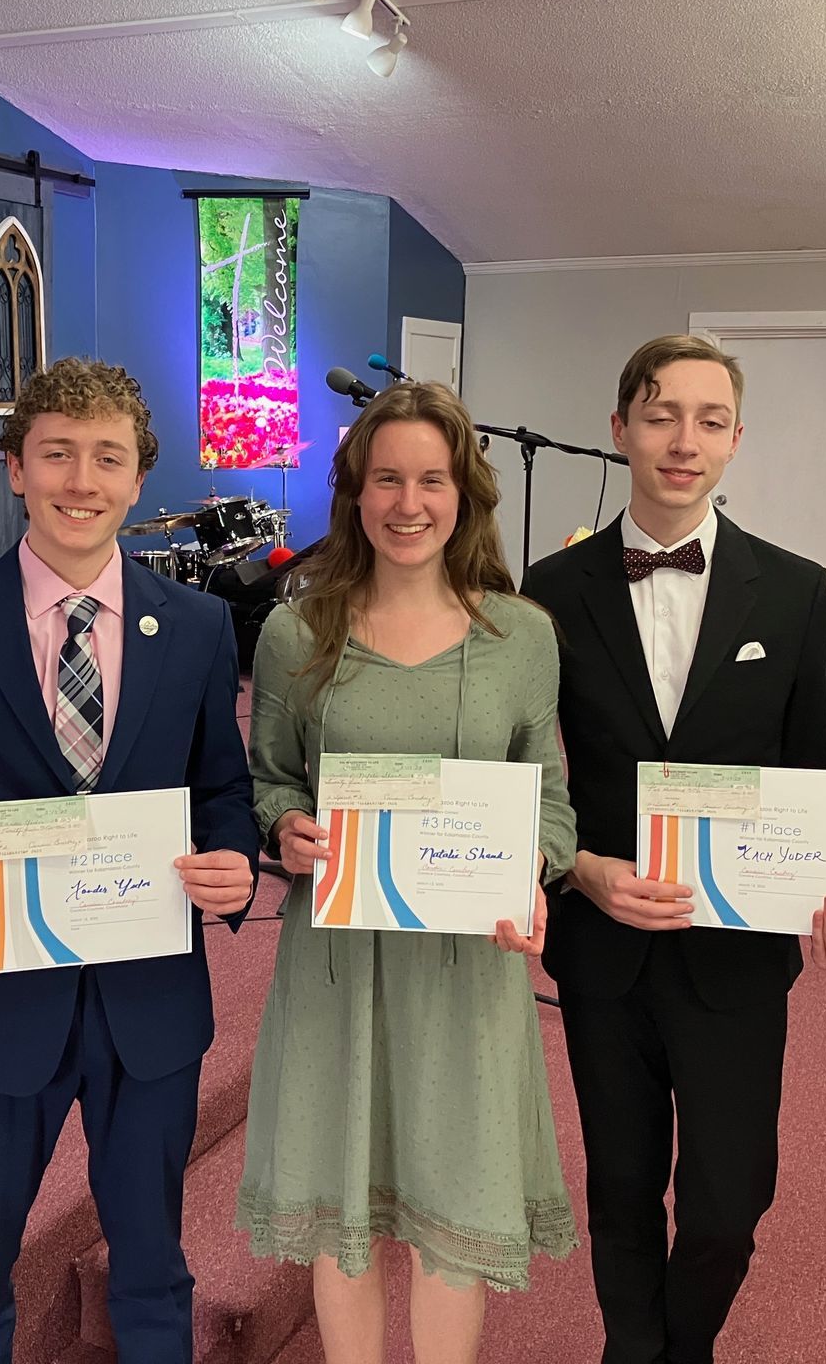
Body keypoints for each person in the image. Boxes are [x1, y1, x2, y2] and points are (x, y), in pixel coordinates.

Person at [0, 357, 259, 1363]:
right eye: (57, 454)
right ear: (16, 469)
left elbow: (223, 789)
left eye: (107, 458)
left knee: (153, 1264)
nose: (82, 481)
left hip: (149, 1005)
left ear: (138, 479)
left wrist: (235, 861)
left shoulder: (200, 627)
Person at [521, 334, 826, 1364]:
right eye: (661, 415)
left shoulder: (797, 590)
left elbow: (806, 767)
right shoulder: (550, 590)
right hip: (607, 946)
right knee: (621, 1186)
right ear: (620, 429)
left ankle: (682, 1346)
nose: (684, 441)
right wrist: (575, 868)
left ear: (735, 439)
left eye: (709, 420)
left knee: (729, 1202)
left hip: (736, 951)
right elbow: (530, 774)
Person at [236, 380, 580, 1363]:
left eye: (432, 479)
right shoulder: (295, 633)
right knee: (339, 1213)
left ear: (465, 493)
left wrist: (530, 866)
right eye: (386, 479)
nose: (408, 502)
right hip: (337, 964)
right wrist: (285, 826)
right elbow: (269, 780)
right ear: (355, 493)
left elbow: (550, 799)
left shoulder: (523, 637)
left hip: (468, 964)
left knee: (453, 1213)